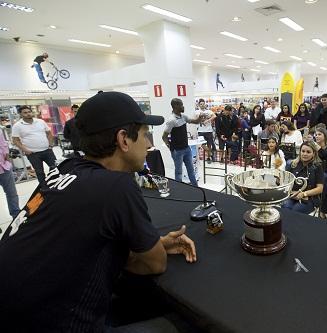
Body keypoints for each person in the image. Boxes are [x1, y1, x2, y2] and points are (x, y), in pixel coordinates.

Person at [0, 91, 197, 332]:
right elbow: (155, 264)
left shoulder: (65, 168)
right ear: (124, 139)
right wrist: (149, 250)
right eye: (145, 135)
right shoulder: (117, 186)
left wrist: (154, 242)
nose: (149, 144)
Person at [11, 105, 56, 185]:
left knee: (55, 168)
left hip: (47, 150)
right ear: (21, 115)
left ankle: (57, 184)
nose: (28, 114)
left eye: (29, 112)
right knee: (39, 172)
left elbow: (49, 133)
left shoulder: (40, 122)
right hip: (33, 154)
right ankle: (44, 189)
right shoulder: (17, 126)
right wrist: (25, 150)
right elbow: (15, 140)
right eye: (25, 113)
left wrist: (50, 145)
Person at [162, 98, 203, 186]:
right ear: (175, 106)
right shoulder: (171, 120)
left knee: (191, 171)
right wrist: (170, 147)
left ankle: (196, 188)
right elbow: (164, 136)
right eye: (181, 104)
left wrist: (200, 118)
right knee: (179, 173)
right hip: (177, 151)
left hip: (186, 149)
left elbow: (195, 121)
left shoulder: (183, 116)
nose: (182, 106)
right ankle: (179, 190)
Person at [283, 141, 324, 214]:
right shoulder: (293, 164)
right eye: (303, 151)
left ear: (313, 154)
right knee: (285, 207)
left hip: (309, 198)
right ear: (300, 152)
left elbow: (320, 189)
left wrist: (304, 194)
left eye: (308, 152)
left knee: (296, 210)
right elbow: (285, 182)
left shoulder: (317, 167)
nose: (305, 154)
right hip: (292, 195)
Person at [311, 127, 327, 218]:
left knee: (324, 178)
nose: (317, 136)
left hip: (326, 173)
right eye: (316, 134)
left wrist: (316, 146)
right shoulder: (313, 146)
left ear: (325, 136)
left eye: (319, 134)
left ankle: (322, 209)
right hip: (314, 171)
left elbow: (324, 155)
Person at [0, 133, 20, 220]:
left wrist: (8, 161)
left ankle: (16, 216)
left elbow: (3, 145)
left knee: (12, 193)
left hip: (3, 167)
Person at [196, 99, 217, 163]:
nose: (202, 105)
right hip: (200, 131)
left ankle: (208, 157)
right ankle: (211, 154)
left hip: (209, 130)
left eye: (203, 104)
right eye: (201, 104)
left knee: (209, 145)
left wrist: (208, 120)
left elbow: (214, 116)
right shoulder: (197, 111)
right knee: (202, 144)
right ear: (199, 105)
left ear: (205, 104)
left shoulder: (209, 111)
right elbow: (197, 118)